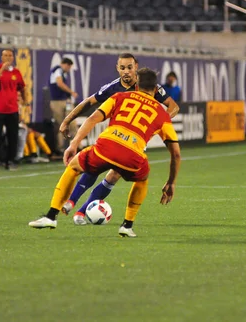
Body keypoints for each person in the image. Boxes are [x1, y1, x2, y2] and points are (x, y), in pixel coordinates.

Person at [29, 68, 181, 237]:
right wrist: (171, 182)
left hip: (106, 148)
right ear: (156, 89)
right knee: (142, 180)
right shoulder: (162, 114)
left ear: (136, 85)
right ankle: (127, 225)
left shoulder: (119, 97)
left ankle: (51, 216)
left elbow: (93, 118)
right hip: (133, 156)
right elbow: (175, 154)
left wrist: (74, 144)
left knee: (74, 167)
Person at [59, 53, 179, 225]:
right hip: (113, 137)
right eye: (122, 68)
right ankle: (72, 202)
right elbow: (89, 102)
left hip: (135, 141)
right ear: (117, 69)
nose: (126, 72)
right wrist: (66, 120)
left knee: (114, 174)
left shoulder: (149, 86)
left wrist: (160, 122)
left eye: (130, 67)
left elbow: (173, 107)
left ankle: (81, 211)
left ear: (136, 67)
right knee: (95, 168)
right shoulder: (113, 88)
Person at [0, 49, 26, 171]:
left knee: (12, 137)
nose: (8, 58)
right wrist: (2, 69)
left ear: (13, 58)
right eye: (5, 55)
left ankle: (11, 161)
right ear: (2, 57)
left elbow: (22, 88)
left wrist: (25, 103)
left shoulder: (16, 72)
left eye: (10, 55)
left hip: (12, 110)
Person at [49, 57, 78, 153]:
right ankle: (61, 148)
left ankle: (74, 145)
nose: (69, 69)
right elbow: (60, 84)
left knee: (70, 122)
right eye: (69, 67)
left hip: (63, 101)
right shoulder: (58, 70)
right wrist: (71, 92)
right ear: (66, 65)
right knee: (62, 125)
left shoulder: (61, 72)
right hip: (58, 102)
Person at [17, 93, 52, 163]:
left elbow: (25, 121)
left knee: (38, 135)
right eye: (18, 96)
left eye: (21, 96)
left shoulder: (24, 107)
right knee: (30, 134)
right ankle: (31, 155)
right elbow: (18, 121)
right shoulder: (15, 106)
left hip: (24, 127)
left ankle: (48, 154)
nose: (20, 98)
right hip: (18, 129)